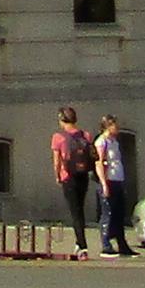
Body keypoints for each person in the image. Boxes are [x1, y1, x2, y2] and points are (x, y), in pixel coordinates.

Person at [50, 104, 95, 256]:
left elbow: (57, 161)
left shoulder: (58, 137)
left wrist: (57, 176)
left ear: (62, 120)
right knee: (80, 210)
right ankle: (78, 243)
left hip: (68, 176)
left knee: (75, 212)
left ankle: (82, 246)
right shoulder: (86, 135)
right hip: (83, 175)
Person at [94, 114, 136, 254]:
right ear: (108, 126)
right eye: (114, 125)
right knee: (108, 213)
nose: (117, 127)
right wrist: (104, 184)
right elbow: (99, 162)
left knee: (119, 213)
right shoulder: (102, 142)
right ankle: (106, 244)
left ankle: (122, 244)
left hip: (118, 179)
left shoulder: (114, 142)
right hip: (108, 180)